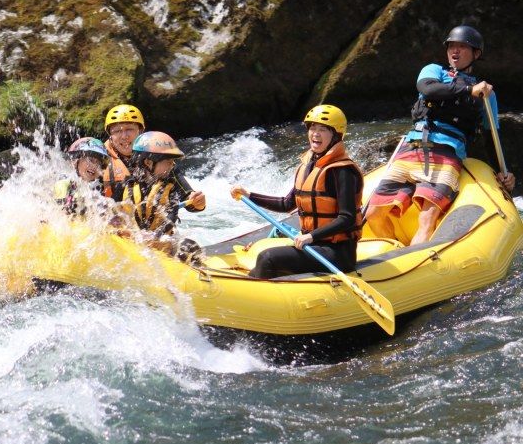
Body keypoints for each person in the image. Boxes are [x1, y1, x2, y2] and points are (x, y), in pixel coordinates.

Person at [365, 25, 515, 245]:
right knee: (373, 214)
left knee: (427, 217)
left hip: (447, 154)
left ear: (476, 54)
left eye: (462, 47)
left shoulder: (485, 94)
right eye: (452, 46)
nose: (455, 51)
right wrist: (467, 91)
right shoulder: (433, 71)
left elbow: (491, 135)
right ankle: (392, 257)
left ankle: (415, 264)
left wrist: (503, 172)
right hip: (412, 148)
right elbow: (428, 90)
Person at [230, 105, 364, 279]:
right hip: (314, 246)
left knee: (268, 257)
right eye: (312, 128)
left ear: (336, 135)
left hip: (338, 253)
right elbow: (286, 204)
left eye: (323, 129)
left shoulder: (342, 171)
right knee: (266, 256)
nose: (315, 133)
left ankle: (250, 295)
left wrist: (311, 236)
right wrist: (250, 196)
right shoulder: (308, 165)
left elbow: (347, 218)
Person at [119, 131, 206, 263]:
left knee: (190, 246)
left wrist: (198, 203)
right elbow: (111, 210)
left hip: (161, 241)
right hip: (131, 240)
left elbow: (178, 210)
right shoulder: (127, 184)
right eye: (168, 161)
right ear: (148, 162)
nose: (172, 165)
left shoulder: (171, 180)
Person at [54, 137, 109, 215]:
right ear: (75, 161)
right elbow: (61, 215)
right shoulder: (63, 184)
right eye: (90, 160)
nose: (94, 166)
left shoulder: (97, 189)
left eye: (99, 163)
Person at [102, 104, 147, 200]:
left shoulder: (154, 152)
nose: (124, 136)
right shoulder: (100, 160)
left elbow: (183, 191)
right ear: (110, 136)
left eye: (129, 129)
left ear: (140, 131)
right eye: (117, 131)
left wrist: (188, 195)